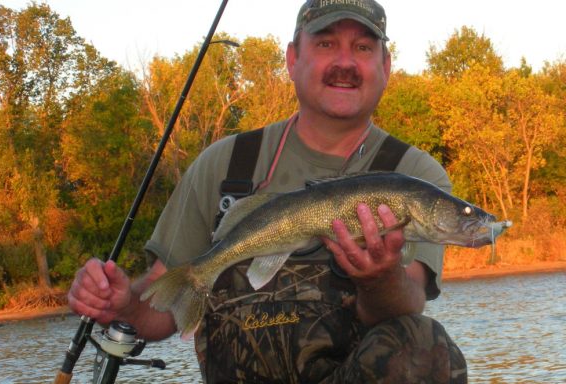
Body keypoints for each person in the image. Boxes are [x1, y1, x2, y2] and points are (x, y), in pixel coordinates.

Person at [68, 1, 468, 382]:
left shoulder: (415, 176)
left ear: (385, 66)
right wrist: (122, 303)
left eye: (363, 47)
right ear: (293, 59)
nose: (345, 62)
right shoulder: (226, 164)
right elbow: (161, 314)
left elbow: (409, 300)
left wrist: (379, 279)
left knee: (426, 346)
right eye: (326, 43)